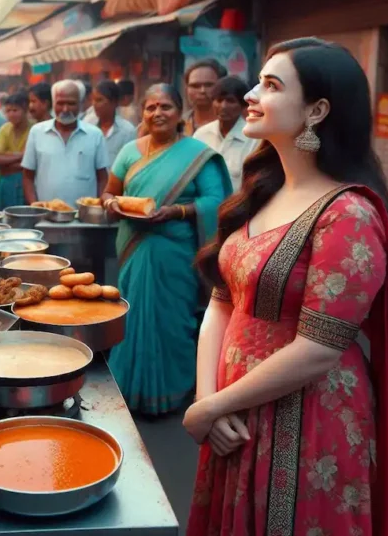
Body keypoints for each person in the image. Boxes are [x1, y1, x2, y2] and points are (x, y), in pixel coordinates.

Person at [184, 38, 388, 536]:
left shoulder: (348, 213)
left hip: (307, 418)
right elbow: (222, 303)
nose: (249, 94)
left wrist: (214, 406)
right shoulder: (261, 190)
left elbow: (318, 350)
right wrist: (208, 400)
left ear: (317, 110)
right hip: (231, 410)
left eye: (270, 85)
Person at [102, 84, 231, 415]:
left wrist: (175, 211)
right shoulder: (130, 150)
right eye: (150, 107)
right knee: (129, 318)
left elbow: (216, 202)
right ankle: (128, 391)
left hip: (175, 252)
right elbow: (108, 192)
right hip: (133, 246)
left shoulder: (197, 155)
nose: (157, 113)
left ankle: (172, 394)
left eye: (166, 107)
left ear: (180, 113)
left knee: (173, 322)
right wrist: (112, 204)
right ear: (142, 113)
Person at [21, 80, 108, 208]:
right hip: (47, 216)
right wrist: (34, 204)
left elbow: (102, 178)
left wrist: (99, 209)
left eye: (71, 103)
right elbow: (27, 176)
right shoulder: (37, 132)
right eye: (60, 103)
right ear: (53, 104)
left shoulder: (95, 135)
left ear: (80, 104)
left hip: (84, 218)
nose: (65, 109)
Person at [193, 76, 261, 191]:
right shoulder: (201, 135)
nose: (223, 106)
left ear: (243, 105)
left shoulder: (254, 138)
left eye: (230, 101)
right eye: (219, 100)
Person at [0, 92, 32, 208]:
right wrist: (21, 156)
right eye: (8, 111)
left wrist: (6, 158)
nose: (11, 114)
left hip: (27, 182)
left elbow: (30, 164)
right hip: (6, 183)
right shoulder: (5, 129)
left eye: (15, 110)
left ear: (25, 110)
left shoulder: (35, 129)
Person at [91, 80, 138, 166]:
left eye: (99, 100)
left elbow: (131, 164)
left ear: (114, 102)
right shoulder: (88, 127)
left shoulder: (127, 131)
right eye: (93, 100)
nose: (94, 104)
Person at [183, 59, 226, 135]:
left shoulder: (238, 125)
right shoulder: (175, 126)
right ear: (186, 89)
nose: (202, 91)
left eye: (209, 85)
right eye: (195, 86)